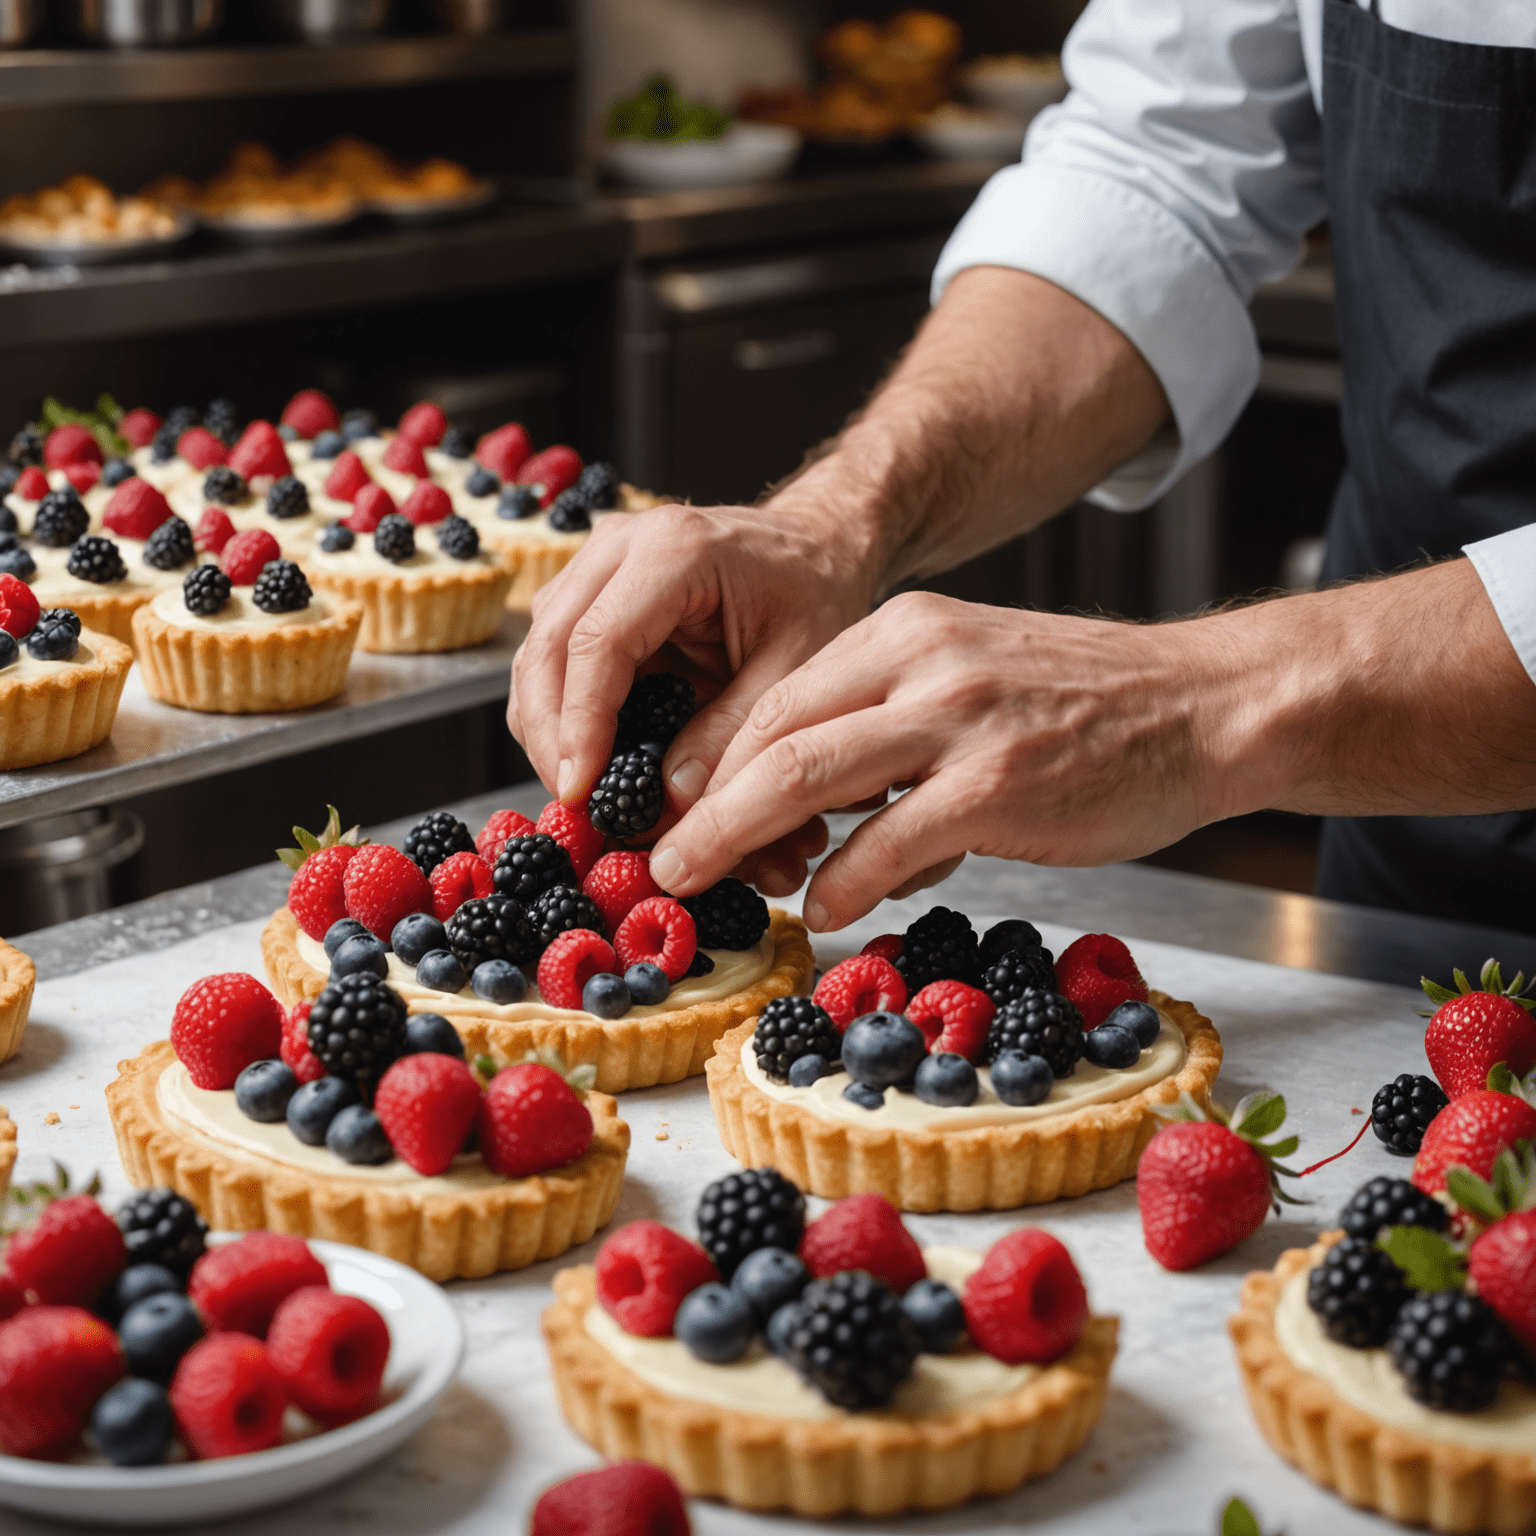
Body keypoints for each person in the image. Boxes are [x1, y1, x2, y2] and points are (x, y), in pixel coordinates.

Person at [510, 0, 1536, 939]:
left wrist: (1201, 703)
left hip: (1364, 710)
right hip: (1407, 852)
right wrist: (836, 521)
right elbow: (1158, 176)